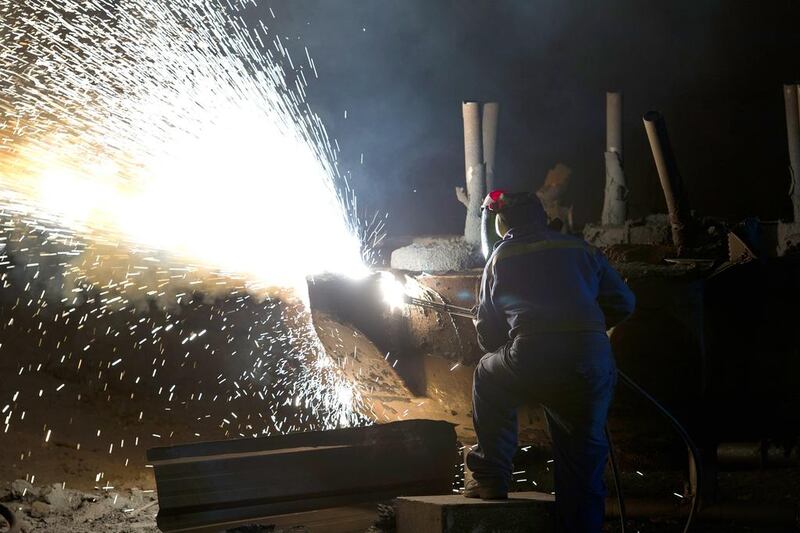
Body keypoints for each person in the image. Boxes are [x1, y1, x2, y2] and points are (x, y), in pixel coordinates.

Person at [464, 190, 635, 532]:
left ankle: (491, 478)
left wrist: (512, 336)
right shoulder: (580, 248)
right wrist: (585, 331)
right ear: (543, 217)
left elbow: (488, 336)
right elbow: (624, 302)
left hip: (531, 357)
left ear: (503, 223)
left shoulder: (501, 256)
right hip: (591, 362)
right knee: (582, 461)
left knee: (487, 374)